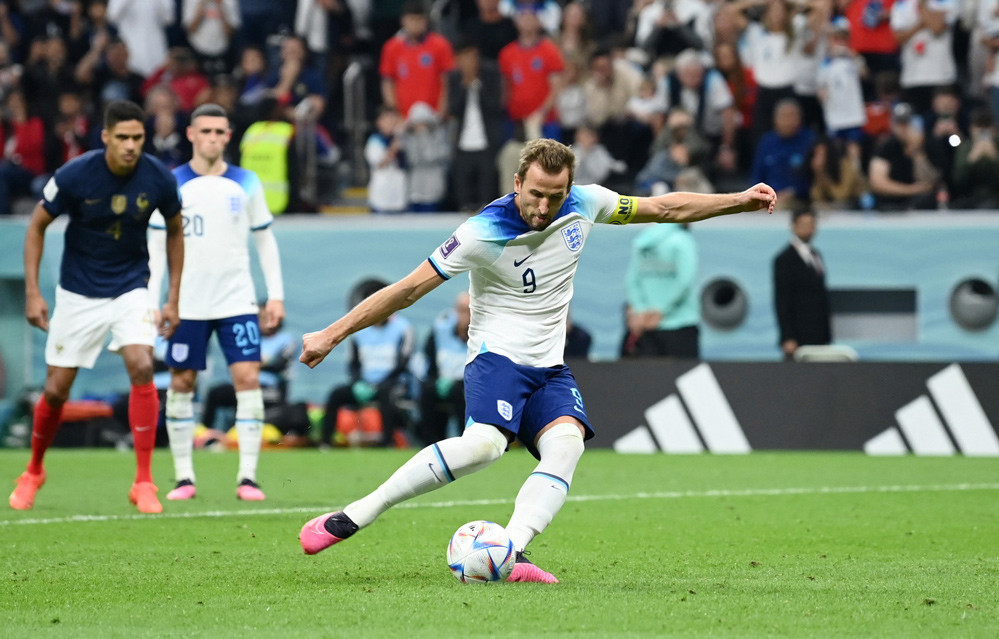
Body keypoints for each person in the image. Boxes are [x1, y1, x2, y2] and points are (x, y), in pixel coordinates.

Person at [297, 138, 776, 582]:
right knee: (484, 447)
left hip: (548, 366)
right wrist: (331, 334)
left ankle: (512, 552)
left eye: (555, 196)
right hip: (498, 359)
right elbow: (406, 290)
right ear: (517, 183)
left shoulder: (586, 202)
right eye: (536, 195)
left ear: (570, 188)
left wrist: (739, 201)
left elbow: (666, 208)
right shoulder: (480, 232)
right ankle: (355, 514)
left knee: (567, 444)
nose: (544, 208)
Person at [10, 100, 184, 513]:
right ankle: (33, 471)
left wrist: (173, 299)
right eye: (122, 137)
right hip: (78, 292)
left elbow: (176, 232)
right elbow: (36, 227)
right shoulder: (74, 175)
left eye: (137, 137)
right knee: (56, 390)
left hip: (130, 287)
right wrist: (33, 292)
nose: (130, 145)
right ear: (106, 136)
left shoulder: (158, 177)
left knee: (142, 365)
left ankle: (143, 481)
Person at [147, 103, 285, 502]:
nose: (212, 138)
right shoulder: (171, 182)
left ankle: (248, 478)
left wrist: (275, 294)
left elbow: (265, 240)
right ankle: (183, 478)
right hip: (187, 303)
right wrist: (154, 300)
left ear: (228, 136)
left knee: (248, 378)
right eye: (205, 131)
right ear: (191, 134)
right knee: (181, 382)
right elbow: (156, 246)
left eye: (219, 132)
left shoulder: (246, 182)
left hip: (236, 300)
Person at [319, 278, 415, 448]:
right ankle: (326, 442)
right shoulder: (358, 330)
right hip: (364, 386)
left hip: (392, 384)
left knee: (386, 394)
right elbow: (353, 364)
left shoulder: (403, 328)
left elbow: (403, 364)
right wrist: (358, 383)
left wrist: (381, 384)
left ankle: (387, 443)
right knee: (336, 394)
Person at [622, 222, 700, 359]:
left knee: (648, 373)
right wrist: (660, 311)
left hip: (645, 324)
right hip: (680, 323)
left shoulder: (643, 240)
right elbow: (684, 281)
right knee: (685, 372)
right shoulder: (682, 240)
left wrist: (641, 311)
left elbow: (632, 281)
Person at [773, 208, 831, 360]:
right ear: (794, 226)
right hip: (798, 336)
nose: (808, 229)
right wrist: (787, 337)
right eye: (803, 224)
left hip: (819, 335)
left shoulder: (816, 255)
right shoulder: (785, 259)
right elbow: (782, 300)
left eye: (811, 224)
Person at [415, 291, 471, 445]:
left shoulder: (483, 336)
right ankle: (430, 442)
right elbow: (429, 360)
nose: (465, 316)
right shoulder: (440, 331)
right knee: (427, 391)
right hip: (442, 381)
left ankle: (465, 441)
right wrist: (435, 380)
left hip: (467, 385)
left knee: (459, 393)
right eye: (461, 310)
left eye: (469, 311)